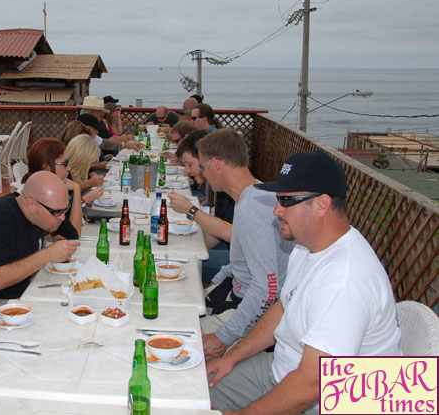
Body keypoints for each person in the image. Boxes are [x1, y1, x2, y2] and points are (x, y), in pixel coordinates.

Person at [208, 151, 402, 414]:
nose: (276, 210)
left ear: (322, 204)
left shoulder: (344, 280)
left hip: (329, 400)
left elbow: (314, 383)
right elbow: (283, 307)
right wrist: (230, 357)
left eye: (286, 201)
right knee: (193, 388)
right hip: (282, 370)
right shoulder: (306, 247)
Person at [196, 129, 294, 360]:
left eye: (202, 166)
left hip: (253, 313)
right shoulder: (254, 193)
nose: (202, 174)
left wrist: (223, 338)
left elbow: (267, 290)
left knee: (181, 343)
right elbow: (242, 263)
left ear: (217, 164)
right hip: (235, 293)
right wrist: (213, 285)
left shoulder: (252, 210)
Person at [0, 171, 80, 339]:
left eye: (65, 210)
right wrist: (46, 255)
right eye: (57, 212)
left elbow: (72, 235)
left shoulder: (39, 213)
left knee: (69, 314)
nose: (62, 217)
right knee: (54, 333)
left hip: (16, 297)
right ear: (31, 204)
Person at [168, 130, 234, 283]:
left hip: (236, 259)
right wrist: (197, 247)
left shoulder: (233, 190)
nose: (186, 171)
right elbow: (217, 228)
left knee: (176, 261)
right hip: (229, 248)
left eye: (189, 164)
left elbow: (226, 233)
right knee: (177, 246)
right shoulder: (223, 187)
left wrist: (190, 209)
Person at [23, 138, 103, 237]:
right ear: (47, 168)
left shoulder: (44, 187)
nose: (69, 168)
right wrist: (77, 189)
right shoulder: (44, 198)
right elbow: (74, 233)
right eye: (65, 163)